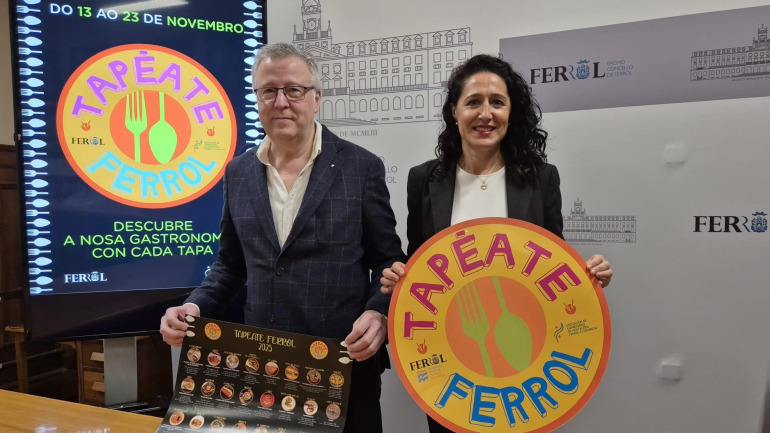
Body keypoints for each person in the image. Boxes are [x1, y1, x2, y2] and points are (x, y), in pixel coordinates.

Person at [160, 42, 405, 433]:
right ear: (257, 98)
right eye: (268, 91)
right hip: (263, 368)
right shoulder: (237, 172)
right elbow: (230, 264)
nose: (281, 102)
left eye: (294, 90)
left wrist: (378, 312)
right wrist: (193, 307)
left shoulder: (362, 168)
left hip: (342, 367)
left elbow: (389, 262)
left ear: (316, 98)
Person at [379, 54, 613, 433]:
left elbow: (553, 261)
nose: (485, 113)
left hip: (523, 361)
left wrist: (589, 275)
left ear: (511, 112)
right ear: (454, 111)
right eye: (473, 102)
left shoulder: (540, 178)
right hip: (450, 359)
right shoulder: (424, 179)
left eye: (497, 102)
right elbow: (418, 261)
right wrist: (399, 277)